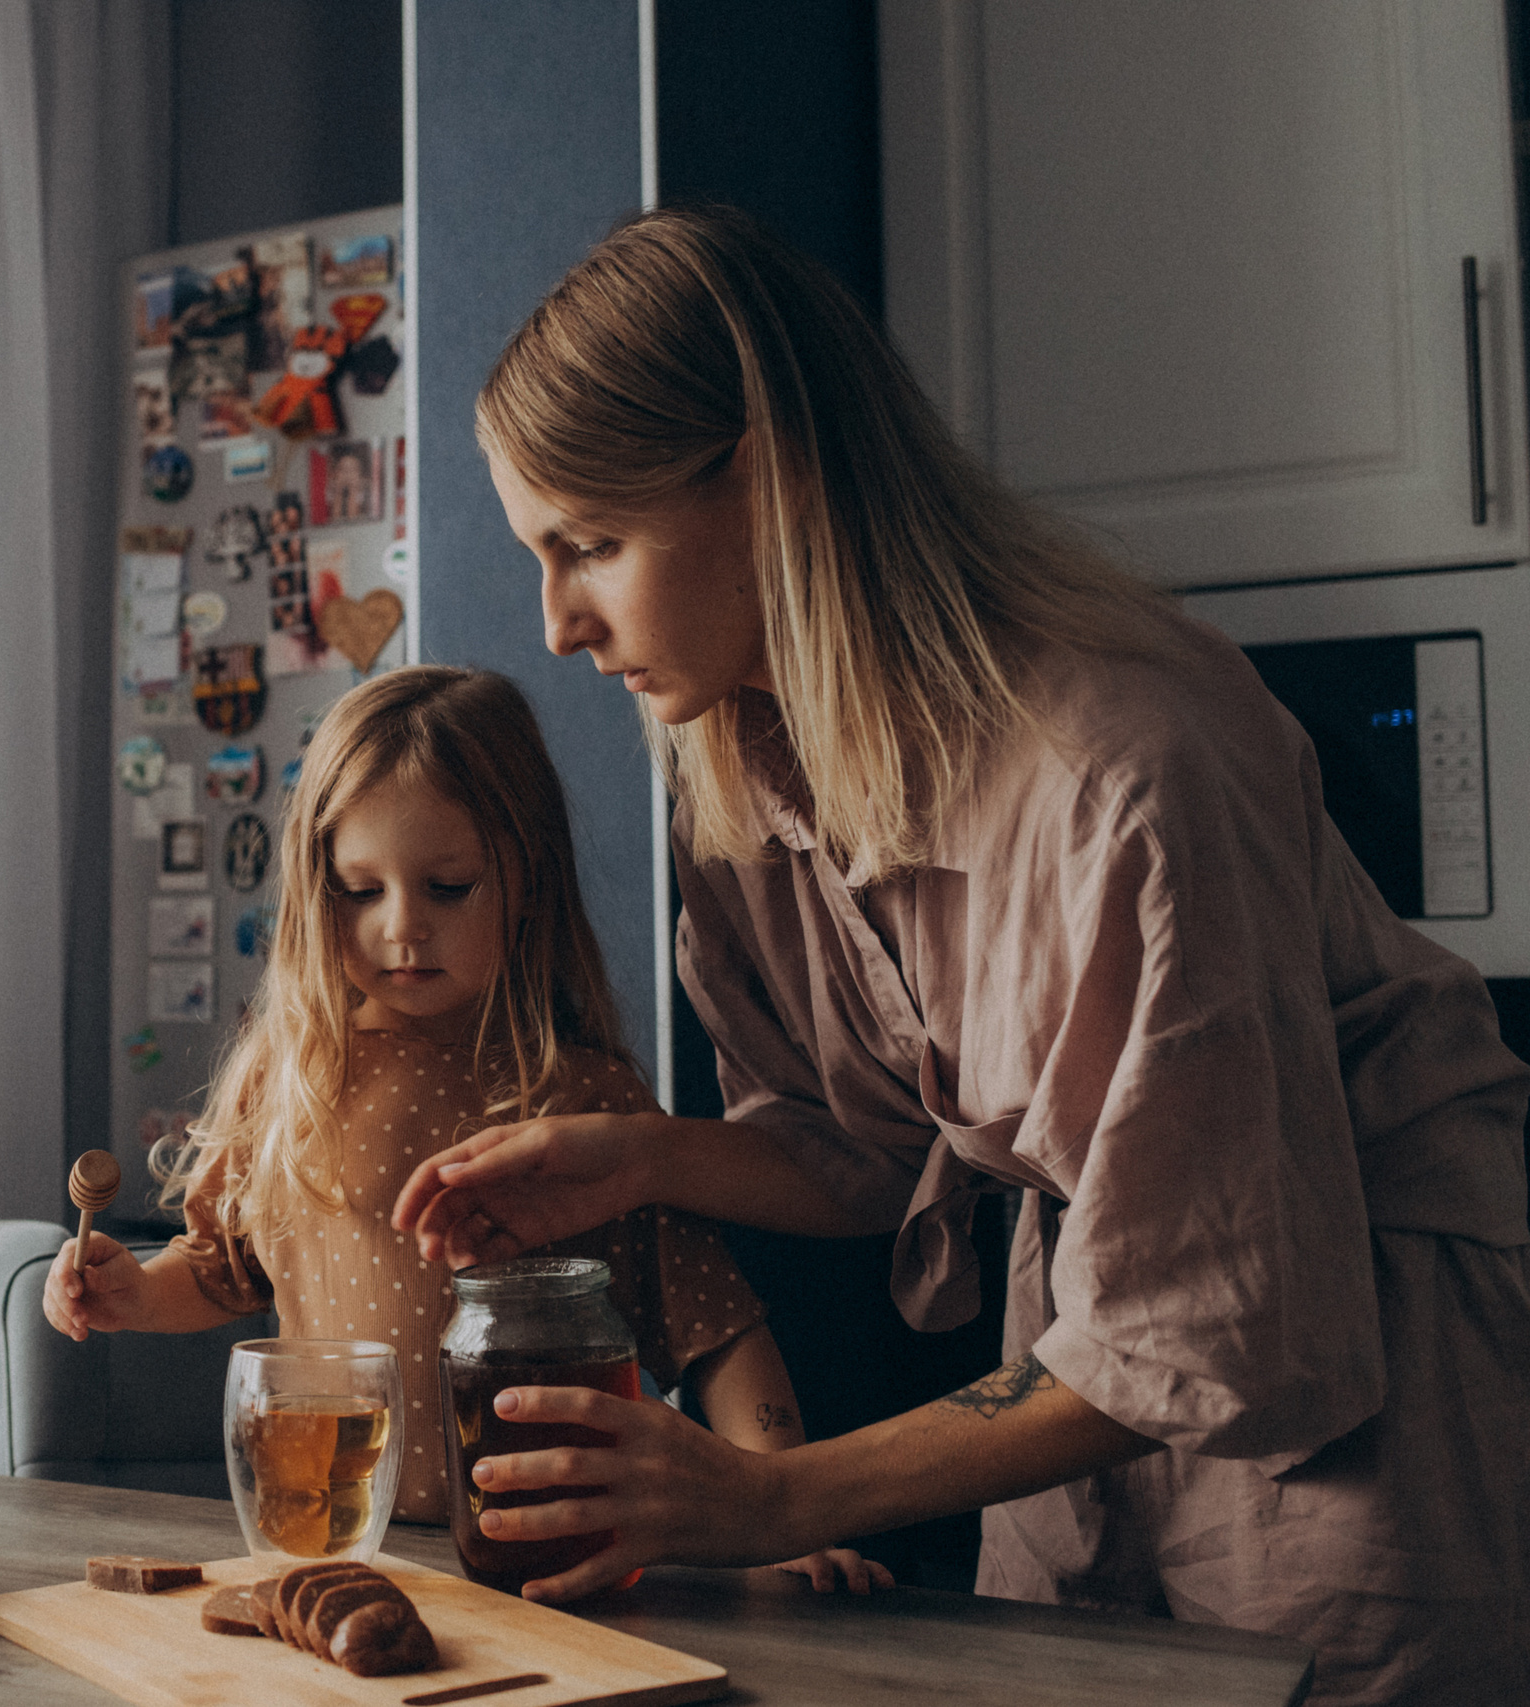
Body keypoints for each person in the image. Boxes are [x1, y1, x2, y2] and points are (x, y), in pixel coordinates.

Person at [387, 204, 1530, 1706]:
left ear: (770, 478)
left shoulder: (1123, 765)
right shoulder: (742, 768)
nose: (556, 625)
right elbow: (871, 1156)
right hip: (1084, 1340)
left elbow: (1210, 1316)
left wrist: (772, 1498)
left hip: (1370, 1345)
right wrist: (644, 1158)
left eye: (591, 545)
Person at [46, 665, 887, 1591]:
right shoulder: (288, 1077)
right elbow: (220, 1271)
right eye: (359, 890)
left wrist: (780, 1517)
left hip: (552, 1556)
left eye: (448, 886)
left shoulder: (583, 1098)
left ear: (528, 878)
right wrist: (131, 1293)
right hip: (342, 1552)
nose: (403, 926)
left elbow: (714, 1326)